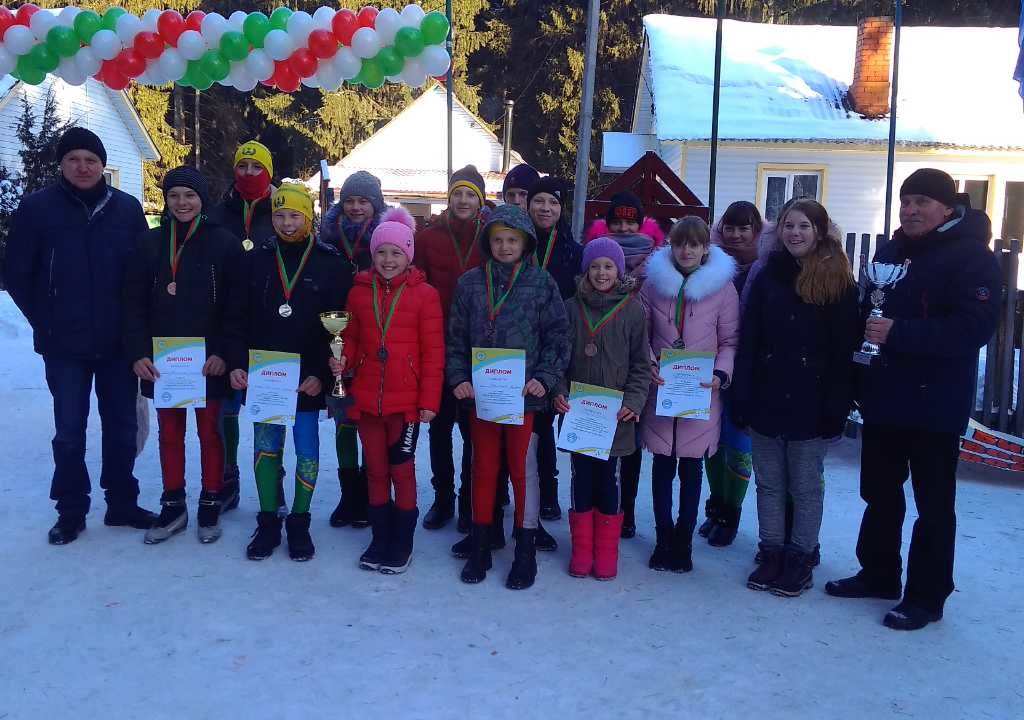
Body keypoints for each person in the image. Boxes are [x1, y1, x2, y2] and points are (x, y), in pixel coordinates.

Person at [826, 169, 1001, 630]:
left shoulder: (973, 257)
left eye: (922, 201)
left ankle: (926, 596)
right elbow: (869, 313)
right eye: (906, 201)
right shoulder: (891, 251)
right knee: (879, 494)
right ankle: (879, 573)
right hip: (885, 398)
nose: (910, 209)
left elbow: (973, 328)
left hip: (935, 404)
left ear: (947, 207)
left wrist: (900, 333)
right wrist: (858, 375)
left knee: (933, 505)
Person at [6, 127, 156, 544]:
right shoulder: (38, 208)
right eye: (74, 159)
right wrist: (47, 320)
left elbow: (142, 276)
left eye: (91, 160)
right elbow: (17, 273)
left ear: (103, 165)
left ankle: (121, 502)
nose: (83, 167)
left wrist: (137, 332)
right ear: (62, 164)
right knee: (69, 430)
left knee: (122, 425)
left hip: (117, 344)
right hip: (64, 345)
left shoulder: (126, 209)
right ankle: (71, 509)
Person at [731, 199, 859, 597]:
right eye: (788, 225)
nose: (795, 233)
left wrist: (836, 406)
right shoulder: (769, 273)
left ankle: (800, 556)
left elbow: (843, 353)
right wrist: (742, 393)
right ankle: (771, 551)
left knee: (804, 486)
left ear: (819, 231)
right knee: (769, 483)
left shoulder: (838, 281)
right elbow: (750, 339)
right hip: (767, 394)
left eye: (804, 226)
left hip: (811, 399)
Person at [225, 183, 351, 561]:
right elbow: (235, 318)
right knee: (267, 448)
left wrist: (320, 374)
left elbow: (339, 330)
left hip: (306, 379)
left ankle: (299, 521)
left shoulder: (331, 264)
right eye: (279, 215)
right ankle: (268, 521)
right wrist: (237, 363)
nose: (286, 223)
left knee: (306, 448)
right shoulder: (254, 260)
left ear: (308, 217)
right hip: (265, 378)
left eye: (295, 215)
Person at [447, 204, 570, 589]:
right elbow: (455, 339)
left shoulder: (542, 283)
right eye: (498, 240)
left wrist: (545, 378)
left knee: (522, 470)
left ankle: (525, 549)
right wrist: (458, 378)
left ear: (526, 243)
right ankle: (481, 544)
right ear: (488, 242)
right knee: (483, 468)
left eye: (512, 240)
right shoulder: (470, 283)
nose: (504, 247)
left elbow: (558, 336)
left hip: (524, 398)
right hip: (482, 398)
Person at [122, 167, 240, 544]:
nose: (182, 203)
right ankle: (173, 504)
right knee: (170, 434)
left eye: (190, 195)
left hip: (207, 362)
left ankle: (210, 499)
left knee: (209, 433)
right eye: (174, 196)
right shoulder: (150, 243)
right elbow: (133, 304)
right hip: (163, 362)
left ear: (202, 199)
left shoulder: (224, 243)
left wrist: (223, 352)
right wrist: (138, 353)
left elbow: (236, 307)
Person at [329, 208, 444, 574]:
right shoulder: (358, 293)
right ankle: (380, 537)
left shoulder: (425, 295)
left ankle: (402, 540)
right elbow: (350, 338)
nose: (388, 260)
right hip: (367, 400)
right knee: (376, 471)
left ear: (408, 255)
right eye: (381, 252)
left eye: (396, 252)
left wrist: (429, 401)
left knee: (401, 470)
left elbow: (433, 354)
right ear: (372, 254)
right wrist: (342, 359)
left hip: (406, 405)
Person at [639, 217, 738, 573]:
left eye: (694, 245)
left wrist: (720, 373)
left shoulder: (723, 289)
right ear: (671, 245)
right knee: (662, 467)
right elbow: (641, 332)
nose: (686, 251)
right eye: (680, 243)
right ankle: (663, 536)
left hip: (701, 392)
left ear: (705, 248)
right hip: (663, 389)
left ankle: (683, 539)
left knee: (692, 469)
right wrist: (649, 363)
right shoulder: (653, 284)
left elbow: (729, 341)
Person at [554, 238, 649, 580]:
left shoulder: (633, 311)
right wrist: (559, 391)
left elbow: (641, 365)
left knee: (609, 481)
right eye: (594, 266)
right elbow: (558, 359)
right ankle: (582, 551)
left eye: (608, 266)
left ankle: (606, 552)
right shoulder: (570, 308)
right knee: (581, 479)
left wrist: (633, 401)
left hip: (615, 418)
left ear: (619, 271)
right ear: (585, 271)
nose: (601, 273)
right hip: (578, 416)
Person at [584, 191, 665, 539]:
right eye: (616, 221)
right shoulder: (596, 260)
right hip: (600, 366)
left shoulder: (659, 264)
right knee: (595, 443)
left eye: (630, 222)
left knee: (630, 443)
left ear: (642, 224)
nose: (623, 228)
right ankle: (595, 506)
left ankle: (625, 509)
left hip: (642, 366)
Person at [413, 165, 490, 532]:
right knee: (440, 427)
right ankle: (443, 498)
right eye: (457, 193)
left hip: (480, 348)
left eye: (470, 194)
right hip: (439, 345)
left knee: (475, 430)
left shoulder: (491, 237)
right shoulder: (428, 237)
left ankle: (470, 500)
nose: (463, 200)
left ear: (480, 200)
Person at [207, 140, 277, 514]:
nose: (249, 173)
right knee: (228, 408)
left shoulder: (283, 210)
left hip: (270, 325)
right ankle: (228, 478)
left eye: (257, 166)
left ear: (269, 171)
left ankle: (273, 483)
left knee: (269, 409)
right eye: (243, 166)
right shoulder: (218, 213)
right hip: (227, 323)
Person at [321, 170, 388, 529]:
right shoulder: (327, 236)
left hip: (373, 342)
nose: (356, 207)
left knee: (372, 421)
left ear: (375, 204)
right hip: (335, 339)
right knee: (343, 419)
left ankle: (369, 490)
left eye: (364, 201)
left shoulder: (386, 239)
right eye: (350, 200)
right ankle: (349, 495)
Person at [699, 201, 765, 547]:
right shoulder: (711, 266)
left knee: (738, 442)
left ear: (757, 231)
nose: (736, 235)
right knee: (711, 440)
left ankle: (732, 512)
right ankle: (716, 505)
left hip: (748, 366)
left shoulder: (767, 266)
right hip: (710, 365)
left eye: (744, 228)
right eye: (730, 228)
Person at [527, 176, 582, 526]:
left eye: (553, 202)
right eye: (539, 201)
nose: (545, 208)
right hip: (519, 345)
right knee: (522, 421)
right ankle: (514, 490)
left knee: (547, 422)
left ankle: (548, 492)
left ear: (562, 209)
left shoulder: (572, 251)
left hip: (557, 346)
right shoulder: (517, 242)